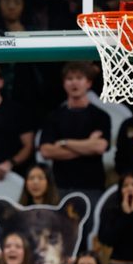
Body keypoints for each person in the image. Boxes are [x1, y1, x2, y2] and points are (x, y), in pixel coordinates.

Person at [38, 62, 111, 198]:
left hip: (92, 187)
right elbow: (46, 151)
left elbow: (100, 147)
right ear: (64, 83)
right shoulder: (54, 116)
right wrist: (88, 145)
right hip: (61, 187)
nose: (74, 83)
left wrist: (64, 143)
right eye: (70, 79)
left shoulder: (100, 116)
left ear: (88, 83)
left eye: (79, 78)